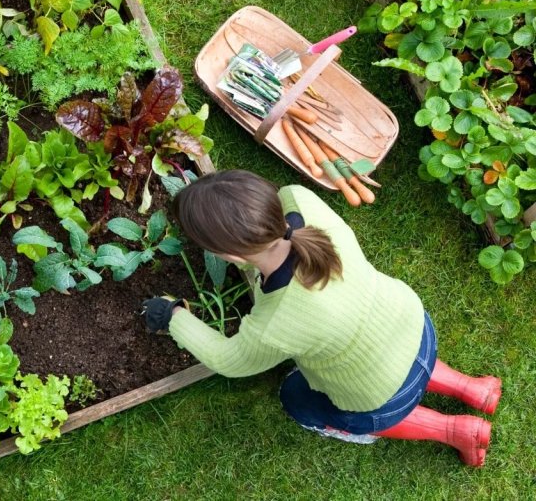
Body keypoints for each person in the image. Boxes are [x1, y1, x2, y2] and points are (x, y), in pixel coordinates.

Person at [142, 169, 501, 466]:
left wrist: (173, 316)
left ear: (229, 256)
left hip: (379, 394)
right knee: (393, 356)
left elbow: (228, 360)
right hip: (414, 326)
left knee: (296, 399)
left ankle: (455, 430)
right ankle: (473, 388)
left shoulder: (276, 323)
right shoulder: (300, 200)